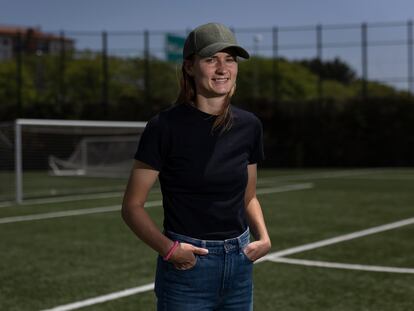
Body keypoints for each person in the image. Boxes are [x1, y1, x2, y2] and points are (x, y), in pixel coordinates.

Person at [122, 22, 271, 311]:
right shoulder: (163, 127)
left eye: (229, 59)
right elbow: (132, 206)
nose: (222, 68)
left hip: (239, 262)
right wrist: (171, 251)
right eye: (210, 59)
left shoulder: (250, 126)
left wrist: (263, 237)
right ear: (189, 67)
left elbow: (248, 196)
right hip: (187, 268)